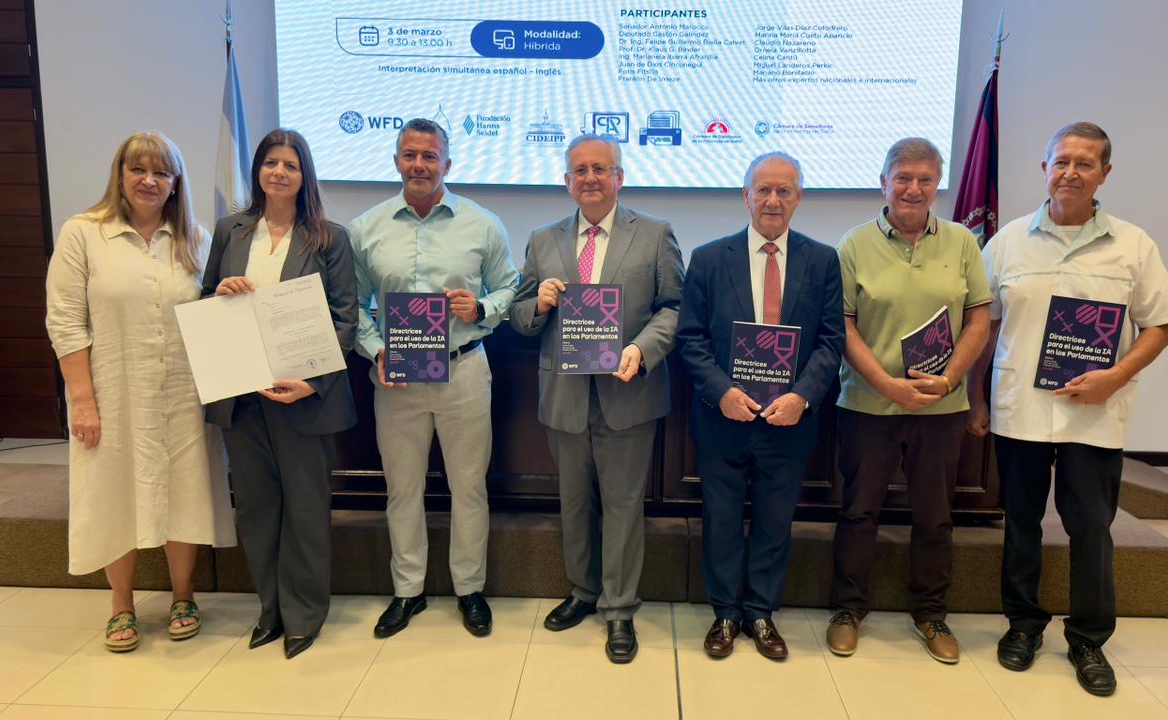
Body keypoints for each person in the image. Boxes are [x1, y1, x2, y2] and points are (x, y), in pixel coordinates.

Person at [969, 122, 1168, 696]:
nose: (1070, 172)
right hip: (1020, 411)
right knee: (1020, 524)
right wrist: (975, 397)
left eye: (1084, 163)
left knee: (1091, 528)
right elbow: (982, 327)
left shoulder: (1133, 245)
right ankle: (1023, 625)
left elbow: (1159, 327)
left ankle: (1088, 638)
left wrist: (1116, 375)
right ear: (1044, 168)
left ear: (1104, 174)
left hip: (1094, 415)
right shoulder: (1008, 242)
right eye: (1061, 161)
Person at [45, 130, 235, 652]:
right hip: (114, 393)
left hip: (184, 392)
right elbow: (65, 321)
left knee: (186, 491)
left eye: (161, 172)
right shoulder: (84, 233)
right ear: (120, 175)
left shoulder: (195, 239)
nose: (149, 181)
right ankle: (121, 605)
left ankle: (183, 596)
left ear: (176, 182)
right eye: (139, 170)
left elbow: (214, 313)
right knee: (114, 493)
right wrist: (82, 400)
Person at [509, 134, 684, 663]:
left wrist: (641, 348)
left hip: (627, 392)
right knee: (575, 502)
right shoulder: (543, 239)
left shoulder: (655, 233)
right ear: (567, 181)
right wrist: (538, 305)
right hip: (564, 395)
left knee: (624, 506)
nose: (590, 178)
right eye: (580, 170)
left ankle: (619, 608)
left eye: (600, 169)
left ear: (619, 177)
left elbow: (674, 307)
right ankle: (583, 591)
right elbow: (520, 317)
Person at [350, 118, 520, 638]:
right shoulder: (366, 228)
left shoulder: (482, 224)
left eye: (429, 156)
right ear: (396, 161)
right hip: (397, 378)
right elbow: (353, 304)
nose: (419, 165)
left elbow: (510, 288)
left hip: (463, 369)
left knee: (469, 488)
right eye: (410, 155)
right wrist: (376, 351)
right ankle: (408, 591)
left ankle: (469, 589)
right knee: (402, 490)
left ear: (447, 163)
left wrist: (481, 307)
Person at [826, 138, 991, 663]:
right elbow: (844, 327)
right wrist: (887, 385)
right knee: (858, 512)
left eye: (925, 179)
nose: (913, 188)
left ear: (938, 184)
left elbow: (979, 320)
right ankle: (848, 609)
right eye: (903, 177)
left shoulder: (963, 243)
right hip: (868, 406)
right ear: (884, 183)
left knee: (935, 515)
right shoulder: (854, 244)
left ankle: (931, 614)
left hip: (941, 409)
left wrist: (949, 380)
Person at [677, 152, 844, 660]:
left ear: (799, 197)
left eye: (784, 191)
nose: (773, 200)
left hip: (788, 421)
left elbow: (830, 342)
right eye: (764, 190)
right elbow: (690, 338)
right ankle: (726, 613)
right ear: (745, 195)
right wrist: (721, 392)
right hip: (724, 418)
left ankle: (761, 612)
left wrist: (802, 397)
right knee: (722, 520)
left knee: (774, 522)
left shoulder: (822, 260)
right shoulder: (709, 258)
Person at [201, 128, 357, 659]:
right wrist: (220, 293)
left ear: (304, 174)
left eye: (290, 164)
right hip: (243, 396)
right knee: (257, 510)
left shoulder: (330, 238)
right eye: (271, 162)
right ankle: (270, 609)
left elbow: (345, 321)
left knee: (306, 510)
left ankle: (304, 614)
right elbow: (206, 297)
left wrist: (312, 382)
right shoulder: (230, 231)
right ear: (258, 171)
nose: (279, 172)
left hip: (303, 397)